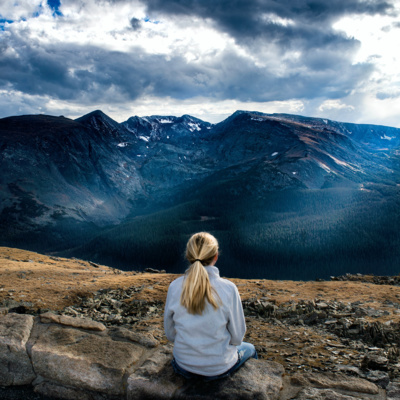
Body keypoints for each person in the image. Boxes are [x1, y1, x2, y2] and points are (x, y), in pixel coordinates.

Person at [164, 232, 257, 380]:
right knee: (250, 349)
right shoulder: (228, 289)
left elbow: (170, 335)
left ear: (188, 256)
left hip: (183, 364)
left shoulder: (175, 287)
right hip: (218, 368)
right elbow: (237, 338)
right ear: (215, 256)